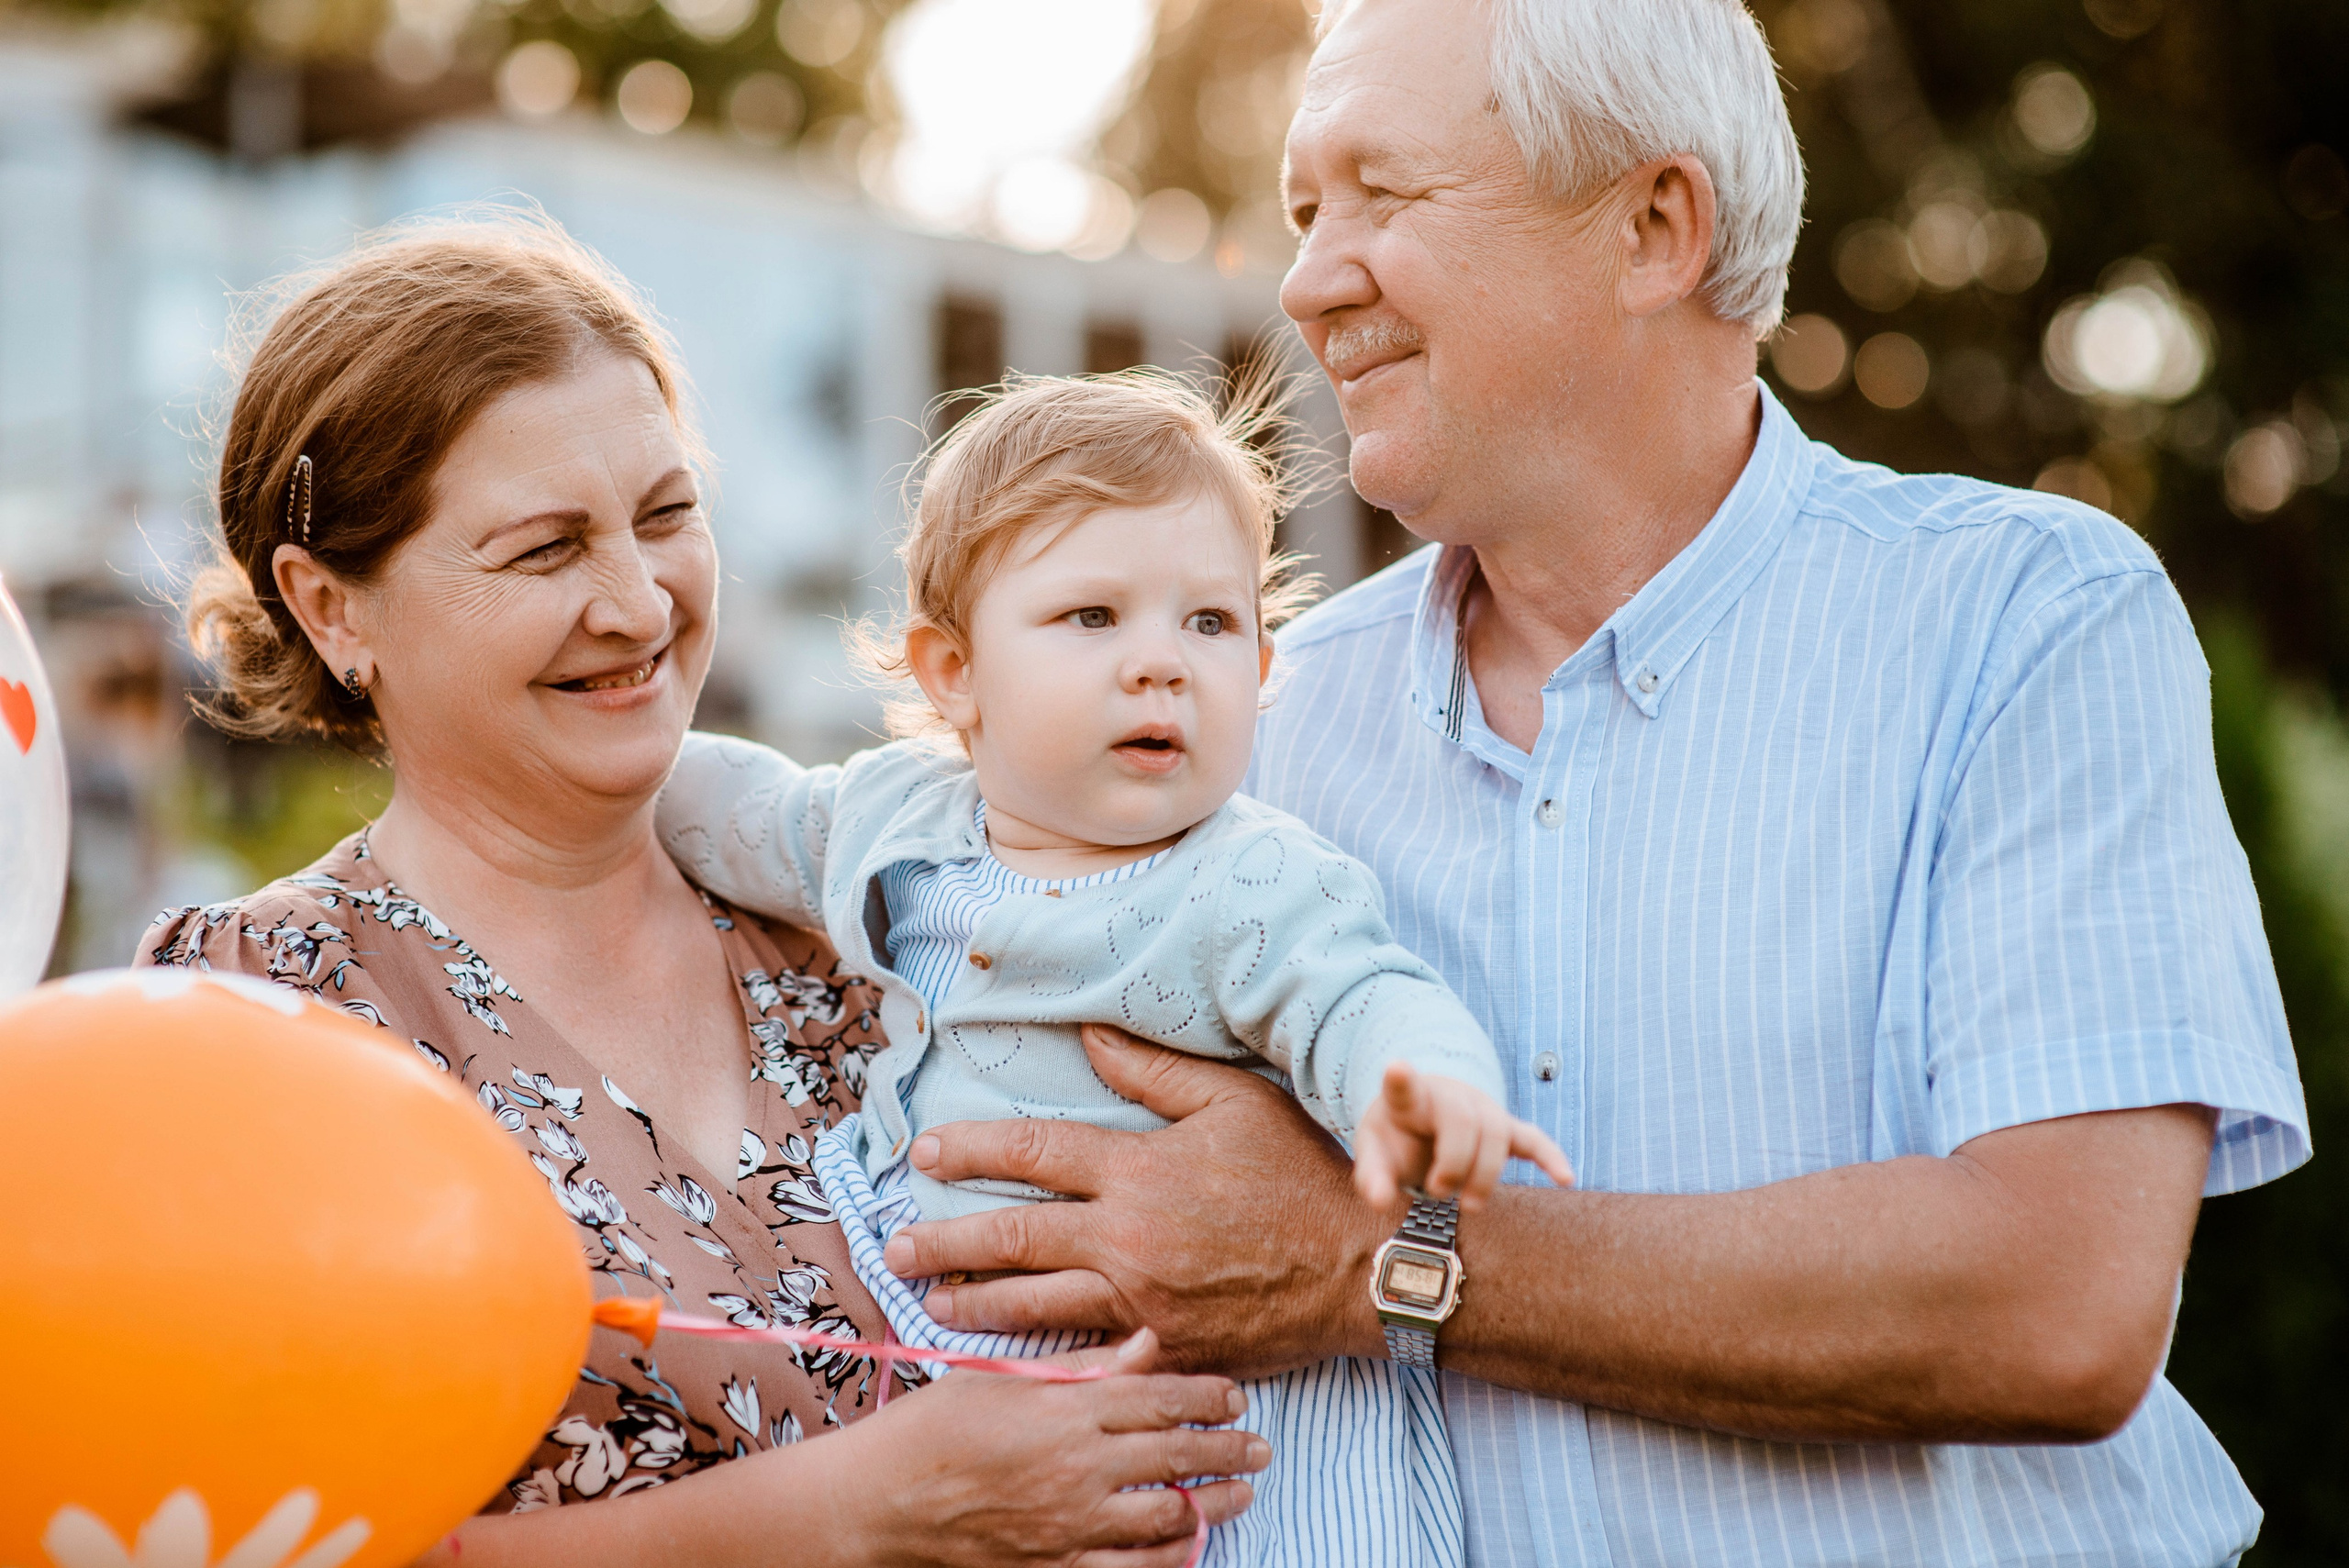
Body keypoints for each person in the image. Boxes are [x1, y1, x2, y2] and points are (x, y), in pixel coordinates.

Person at [860, 2, 2314, 1564]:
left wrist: (1374, 1262)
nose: (1306, 277)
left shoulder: (2025, 617)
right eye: (1303, 210)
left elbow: (2056, 1304)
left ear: (1651, 227)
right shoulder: (1241, 720)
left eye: (1383, 195)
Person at [137, 215, 1264, 1566]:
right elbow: (239, 1537)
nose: (637, 600)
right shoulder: (262, 1018)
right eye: (545, 550)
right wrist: (862, 1509)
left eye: (667, 516)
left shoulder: (871, 911)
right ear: (333, 609)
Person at [657, 371, 1575, 1568]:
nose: (1161, 663)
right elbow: (745, 812)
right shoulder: (894, 816)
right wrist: (606, 767)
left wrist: (1423, 1082)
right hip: (952, 1366)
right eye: (1092, 618)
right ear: (953, 673)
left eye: (1211, 621)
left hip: (1219, 1396)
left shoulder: (1245, 879)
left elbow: (1363, 993)